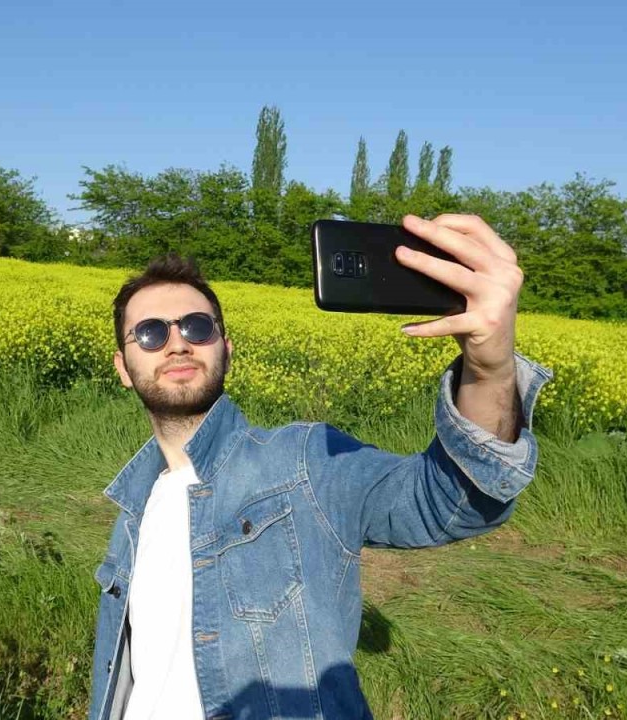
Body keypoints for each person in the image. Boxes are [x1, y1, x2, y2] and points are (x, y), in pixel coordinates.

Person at [88, 214, 554, 720]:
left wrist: (489, 370)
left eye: (197, 327)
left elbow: (452, 501)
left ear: (227, 348)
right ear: (123, 368)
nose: (177, 342)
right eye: (151, 333)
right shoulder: (133, 511)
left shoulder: (305, 463)